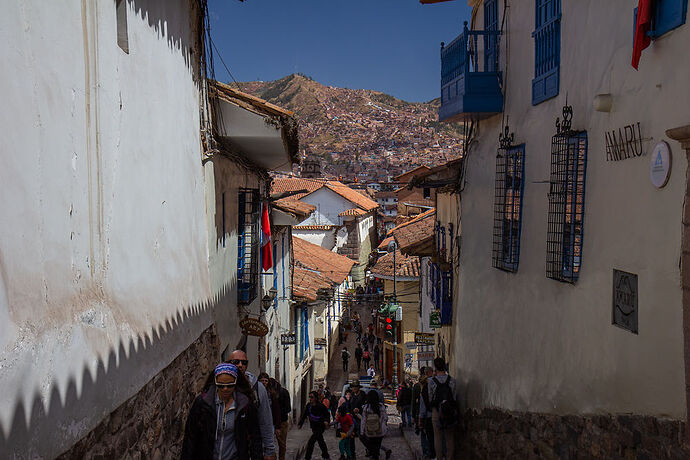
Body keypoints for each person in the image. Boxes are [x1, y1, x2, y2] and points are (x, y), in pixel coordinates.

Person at [182, 363, 263, 459]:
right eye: (221, 385)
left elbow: (255, 439)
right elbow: (190, 438)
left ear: (236, 382)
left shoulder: (245, 406)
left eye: (230, 385)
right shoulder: (203, 404)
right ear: (215, 382)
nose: (225, 389)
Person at [227, 350, 277, 460]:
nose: (240, 365)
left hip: (250, 449)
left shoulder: (257, 389)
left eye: (244, 363)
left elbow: (265, 420)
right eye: (236, 362)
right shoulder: (221, 387)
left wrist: (269, 449)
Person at [428, 357, 456, 460]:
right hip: (449, 410)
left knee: (438, 437)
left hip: (437, 410)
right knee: (450, 437)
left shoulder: (431, 381)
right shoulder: (452, 380)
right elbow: (454, 396)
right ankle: (449, 458)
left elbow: (430, 397)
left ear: (435, 367)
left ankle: (439, 457)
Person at [298, 391, 331, 460]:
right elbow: (304, 415)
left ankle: (307, 457)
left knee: (311, 442)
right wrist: (300, 424)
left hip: (320, 427)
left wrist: (326, 421)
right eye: (309, 397)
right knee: (320, 441)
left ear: (315, 398)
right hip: (314, 427)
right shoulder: (309, 406)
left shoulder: (321, 406)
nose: (310, 399)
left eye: (312, 397)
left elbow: (327, 414)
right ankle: (326, 456)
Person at [359, 390, 388, 460]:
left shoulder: (366, 408)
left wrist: (362, 431)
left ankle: (373, 455)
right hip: (380, 431)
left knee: (372, 446)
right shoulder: (381, 407)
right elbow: (385, 418)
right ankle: (376, 455)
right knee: (377, 446)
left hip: (370, 431)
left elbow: (363, 420)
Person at [418, 368, 436, 460]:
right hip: (440, 413)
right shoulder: (436, 383)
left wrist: (420, 419)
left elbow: (422, 406)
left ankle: (432, 454)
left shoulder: (424, 389)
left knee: (430, 437)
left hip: (429, 416)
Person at [258, 372, 282, 437]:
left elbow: (276, 411)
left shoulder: (272, 394)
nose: (264, 382)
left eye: (266, 381)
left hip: (269, 423)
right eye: (262, 381)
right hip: (258, 423)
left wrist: (277, 427)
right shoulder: (255, 394)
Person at [275, 379, 291, 460]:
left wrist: (277, 413)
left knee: (281, 444)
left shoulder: (283, 393)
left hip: (282, 422)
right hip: (270, 422)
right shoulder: (266, 393)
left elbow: (288, 408)